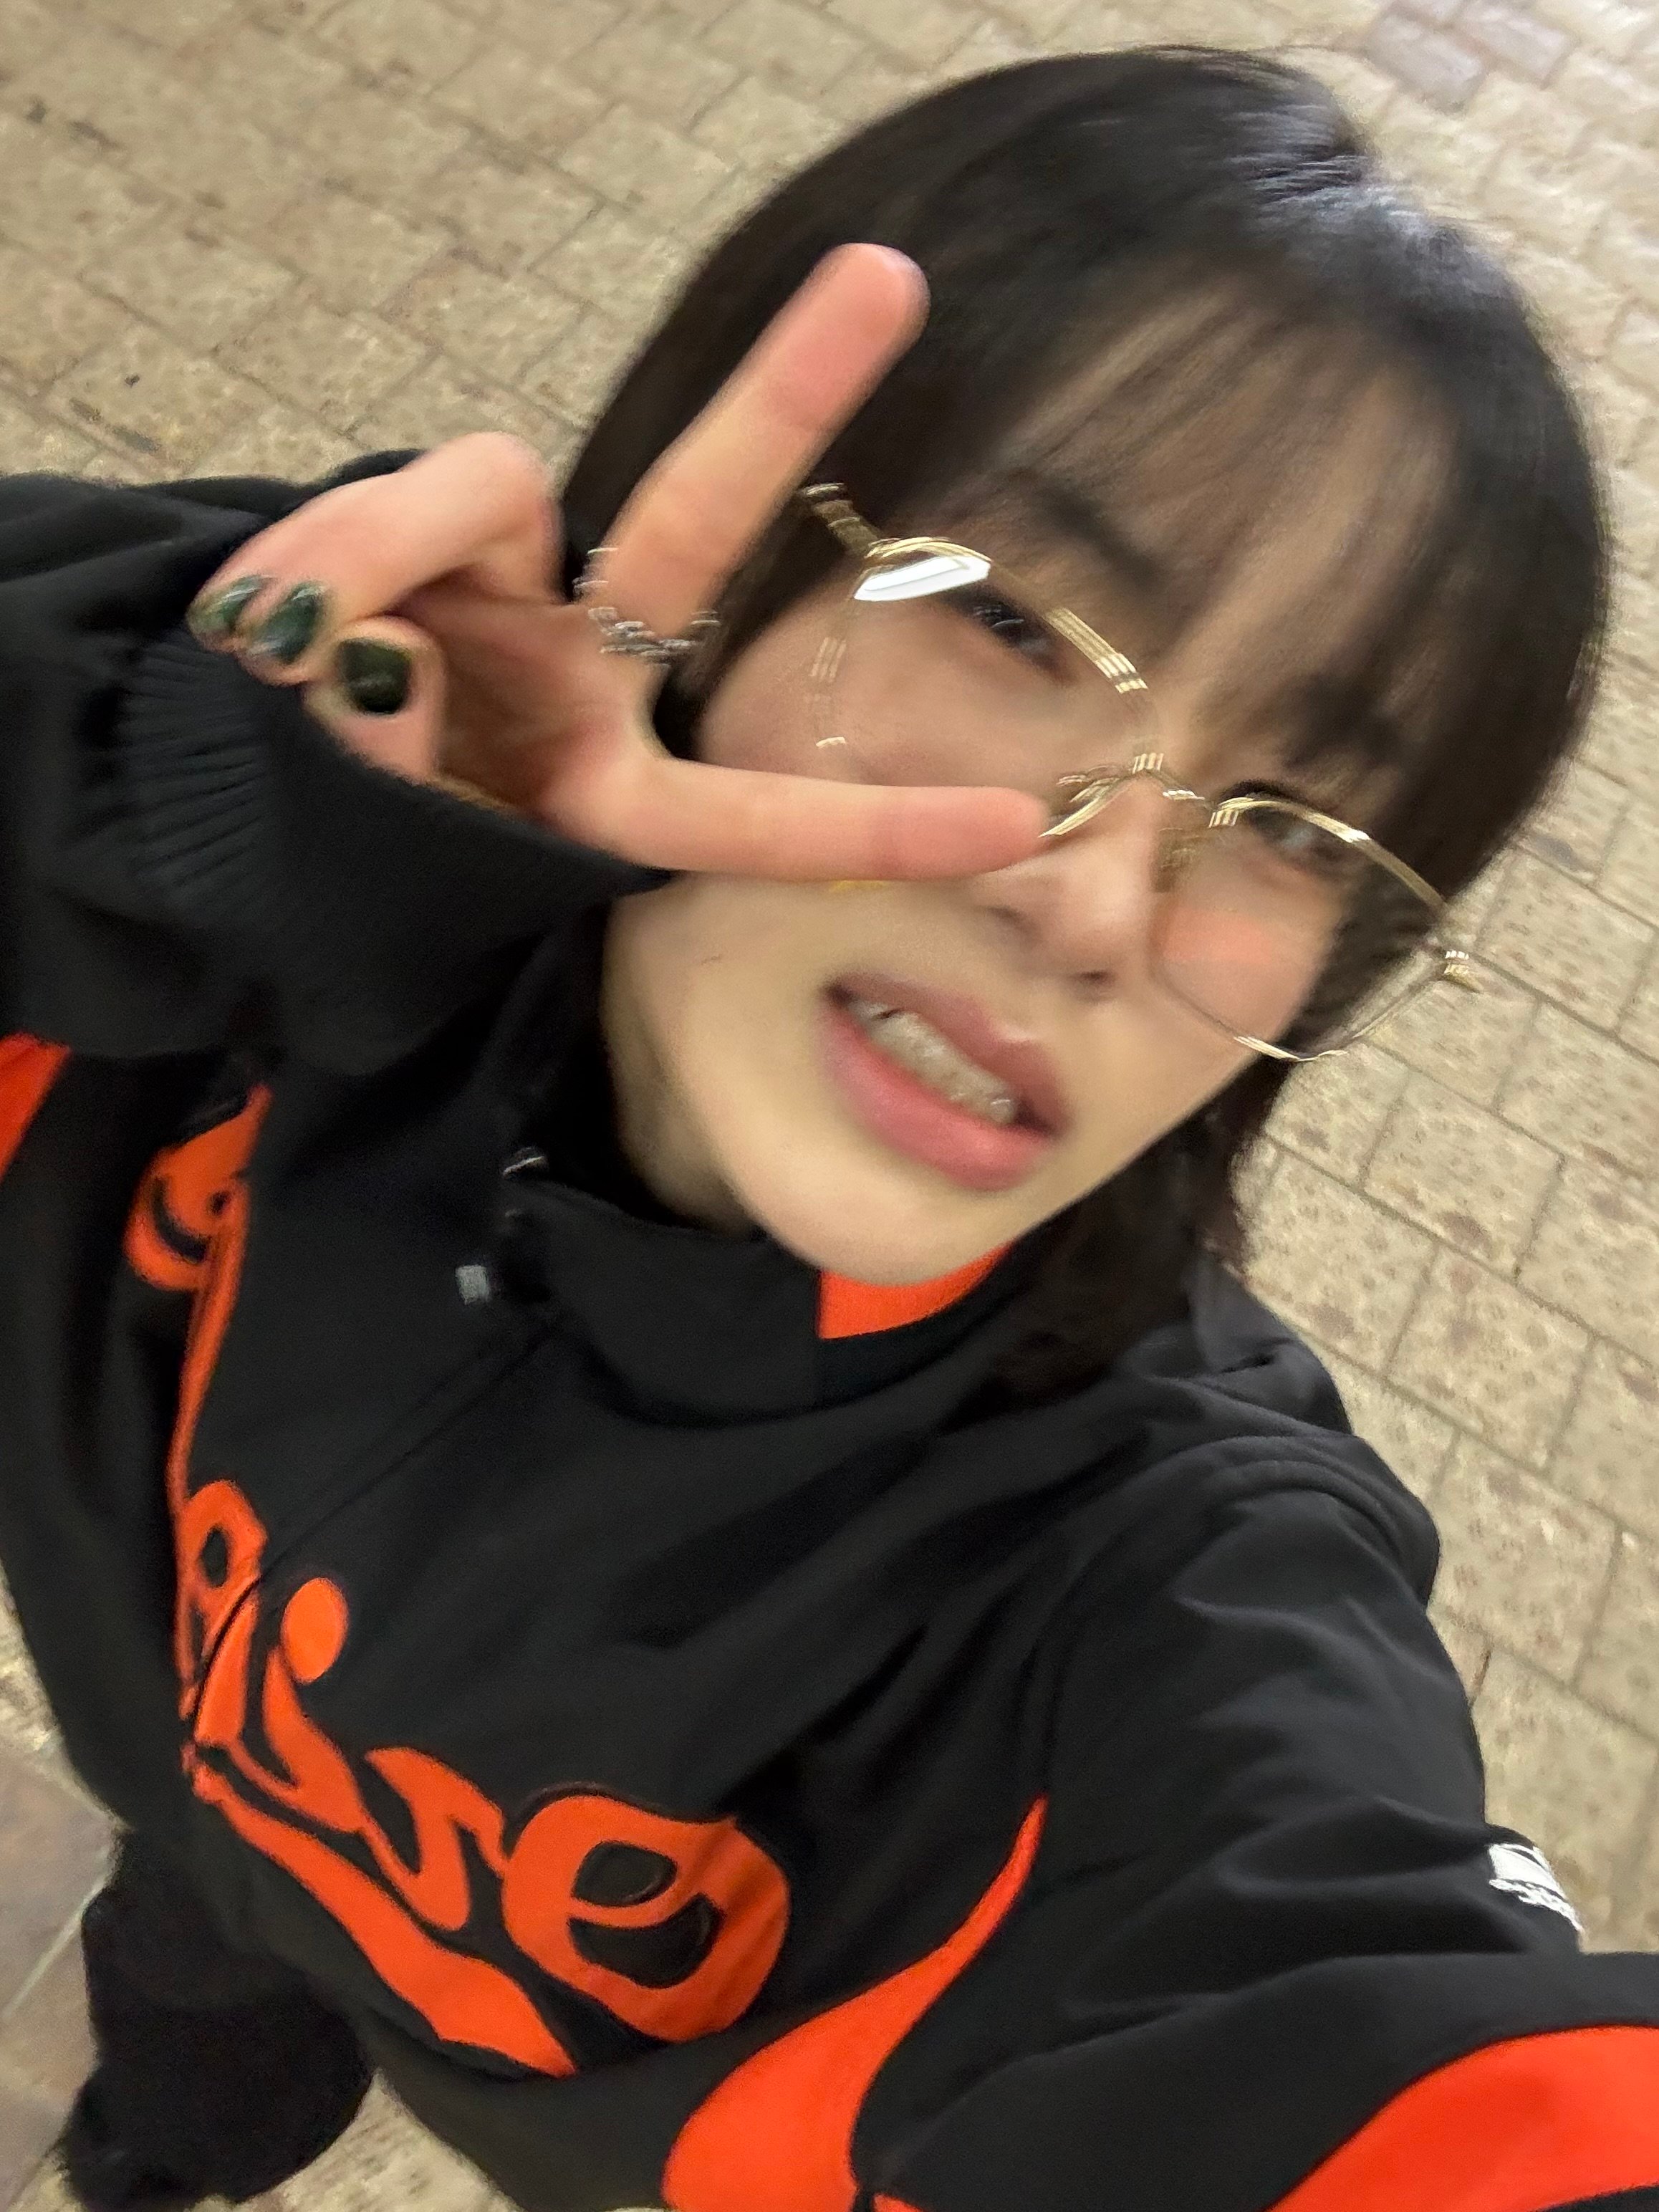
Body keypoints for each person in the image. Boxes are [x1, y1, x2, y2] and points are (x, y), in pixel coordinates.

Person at [1, 42, 1655, 2212]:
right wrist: (149, 807)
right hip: (186, 1812)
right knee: (188, 2030)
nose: (1095, 906)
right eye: (1007, 618)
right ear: (708, 568)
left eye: (1293, 823)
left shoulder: (1138, 1605)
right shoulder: (255, 944)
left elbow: (1376, 2066)